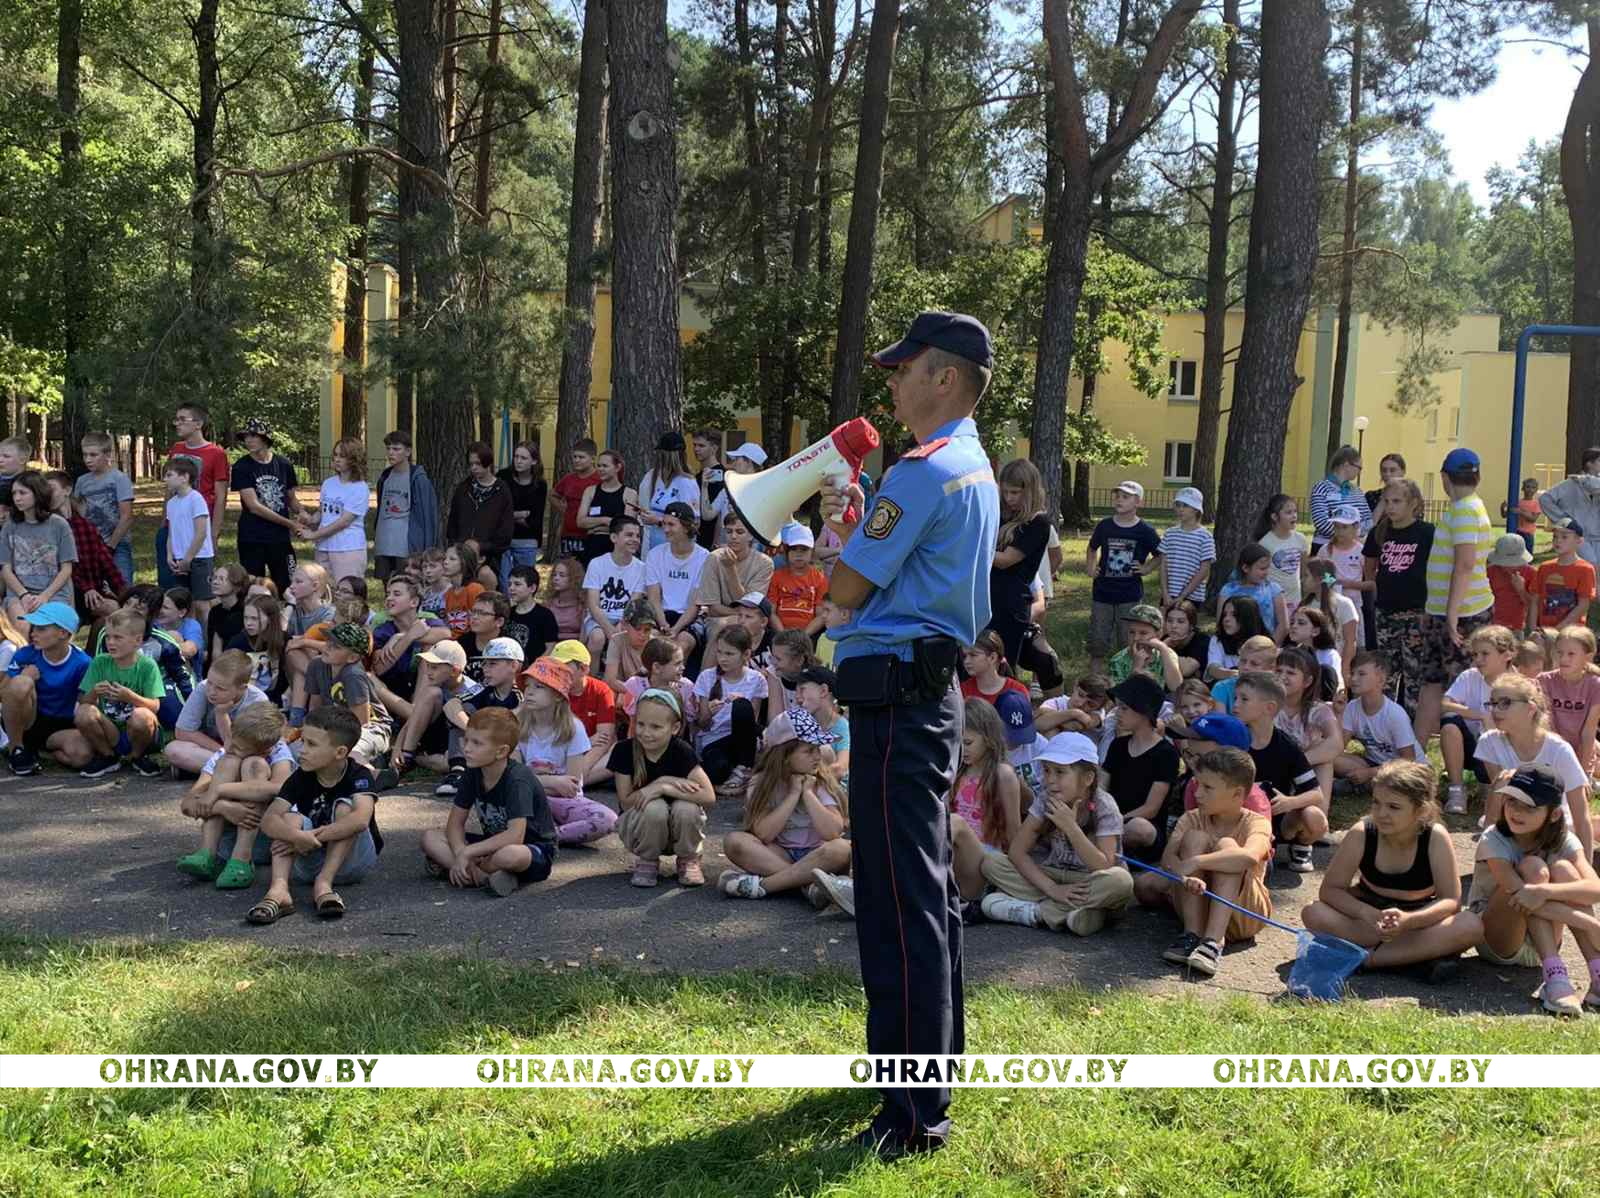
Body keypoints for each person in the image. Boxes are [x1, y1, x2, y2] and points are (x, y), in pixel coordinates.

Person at [819, 310, 998, 1159]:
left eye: (904, 368)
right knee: (920, 895)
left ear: (946, 378)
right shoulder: (966, 464)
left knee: (898, 902)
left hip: (898, 704)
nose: (891, 381)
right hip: (921, 701)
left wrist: (837, 534)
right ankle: (926, 1077)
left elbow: (849, 584)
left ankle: (913, 1109)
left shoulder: (924, 471)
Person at [1304, 760, 1483, 983]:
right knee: (1314, 913)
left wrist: (1409, 920)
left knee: (1471, 925)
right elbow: (1330, 891)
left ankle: (1366, 960)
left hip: (1417, 924)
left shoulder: (1434, 837)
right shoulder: (1362, 833)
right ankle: (1414, 959)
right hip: (1369, 922)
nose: (1381, 813)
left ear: (1421, 810)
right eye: (1376, 803)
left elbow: (1450, 901)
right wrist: (1364, 912)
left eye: (1394, 807)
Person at [1466, 765, 1600, 1016]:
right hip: (1499, 941)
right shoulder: (1492, 838)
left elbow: (1595, 888)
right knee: (1534, 870)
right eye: (1512, 801)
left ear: (1554, 815)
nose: (1516, 811)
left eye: (1530, 807)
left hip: (1542, 941)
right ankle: (1555, 978)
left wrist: (1547, 892)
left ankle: (1597, 971)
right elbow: (1521, 895)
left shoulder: (1565, 839)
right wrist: (1590, 925)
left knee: (1565, 870)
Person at [978, 729, 1135, 932]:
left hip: (1090, 880)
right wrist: (1053, 889)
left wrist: (1071, 827)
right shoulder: (1045, 799)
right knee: (992, 862)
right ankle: (1078, 914)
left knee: (1121, 881)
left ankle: (1037, 913)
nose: (1050, 779)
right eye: (1046, 770)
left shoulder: (1104, 806)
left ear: (1088, 778)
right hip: (1053, 874)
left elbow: (1103, 866)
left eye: (1060, 772)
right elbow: (1017, 851)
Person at [1148, 747, 1273, 978]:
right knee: (1195, 837)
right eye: (1197, 785)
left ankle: (1213, 942)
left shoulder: (1257, 823)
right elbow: (1168, 859)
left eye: (1207, 788)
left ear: (1237, 794)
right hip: (1199, 904)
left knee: (1228, 848)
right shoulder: (1191, 818)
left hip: (1242, 916)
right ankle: (1192, 934)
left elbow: (1248, 857)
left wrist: (1196, 862)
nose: (1197, 794)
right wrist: (1185, 875)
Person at [252, 706, 383, 923]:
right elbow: (269, 820)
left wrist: (309, 837)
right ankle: (279, 890)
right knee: (289, 819)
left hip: (354, 861)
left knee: (346, 809)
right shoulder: (301, 776)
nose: (301, 750)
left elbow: (360, 820)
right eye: (302, 741)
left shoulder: (358, 775)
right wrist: (296, 836)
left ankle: (324, 883)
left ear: (340, 752)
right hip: (309, 859)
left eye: (311, 744)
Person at [719, 707, 852, 901]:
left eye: (817, 749)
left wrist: (808, 793)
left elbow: (832, 832)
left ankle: (764, 886)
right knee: (735, 842)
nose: (817, 756)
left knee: (841, 848)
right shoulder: (762, 782)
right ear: (784, 755)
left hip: (819, 854)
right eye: (809, 751)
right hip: (779, 854)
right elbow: (764, 833)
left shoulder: (820, 779)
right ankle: (810, 886)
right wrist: (793, 794)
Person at [421, 707, 556, 897]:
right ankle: (485, 878)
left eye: (477, 743)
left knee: (509, 855)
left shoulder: (517, 780)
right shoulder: (472, 772)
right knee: (430, 837)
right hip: (490, 846)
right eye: (466, 740)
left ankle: (466, 872)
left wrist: (469, 853)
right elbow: (455, 824)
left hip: (530, 849)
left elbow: (515, 837)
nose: (467, 748)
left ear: (501, 752)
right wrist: (461, 851)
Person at [1418, 447, 1496, 746]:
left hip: (1462, 613)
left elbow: (1464, 563)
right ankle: (1418, 751)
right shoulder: (1467, 506)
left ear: (1444, 478)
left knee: (1458, 686)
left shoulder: (1464, 510)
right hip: (1446, 610)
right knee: (1433, 681)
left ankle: (1473, 753)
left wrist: (1451, 613)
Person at [175, 702, 297, 890]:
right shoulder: (226, 752)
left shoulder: (278, 753)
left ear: (267, 750)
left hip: (267, 839)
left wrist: (219, 790)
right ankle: (206, 854)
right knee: (227, 763)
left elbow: (280, 788)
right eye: (231, 738)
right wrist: (224, 807)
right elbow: (188, 804)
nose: (231, 747)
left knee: (254, 765)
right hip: (226, 843)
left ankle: (242, 860)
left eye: (240, 748)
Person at [1475, 673, 1594, 861]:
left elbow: (1581, 812)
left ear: (1530, 709)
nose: (1495, 710)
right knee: (1533, 872)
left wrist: (1586, 864)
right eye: (1492, 703)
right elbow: (1499, 801)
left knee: (1558, 873)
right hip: (1515, 828)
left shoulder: (1558, 749)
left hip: (1554, 831)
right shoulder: (1489, 743)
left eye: (1505, 703)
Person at [517, 654, 617, 846]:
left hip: (562, 801)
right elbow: (512, 776)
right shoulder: (518, 724)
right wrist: (551, 781)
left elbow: (571, 786)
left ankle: (551, 836)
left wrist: (533, 780)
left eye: (539, 687)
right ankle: (538, 833)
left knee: (606, 819)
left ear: (557, 695)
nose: (529, 692)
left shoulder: (573, 728)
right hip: (528, 798)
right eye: (528, 686)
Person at [1233, 670, 1326, 872]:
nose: (1236, 704)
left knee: (1314, 816)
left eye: (1244, 699)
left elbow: (1316, 793)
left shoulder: (1287, 746)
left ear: (1269, 708)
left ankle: (1301, 845)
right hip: (1239, 819)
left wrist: (1289, 802)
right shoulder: (1232, 741)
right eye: (1236, 697)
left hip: (1279, 821)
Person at [1363, 477, 1435, 715]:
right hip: (1386, 612)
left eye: (1397, 501)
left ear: (1413, 503)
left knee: (1414, 673)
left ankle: (1414, 724)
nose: (1391, 506)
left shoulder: (1426, 533)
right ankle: (1385, 719)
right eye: (1387, 501)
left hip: (1416, 613)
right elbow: (1370, 567)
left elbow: (1435, 570)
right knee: (1386, 671)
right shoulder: (1379, 532)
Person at [70, 608, 165, 779]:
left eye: (118, 637)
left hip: (138, 731)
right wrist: (94, 692)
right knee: (84, 712)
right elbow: (84, 700)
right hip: (109, 729)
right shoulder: (100, 662)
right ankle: (108, 757)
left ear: (137, 641)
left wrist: (130, 697)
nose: (110, 642)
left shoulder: (147, 665)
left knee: (142, 715)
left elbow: (155, 706)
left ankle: (138, 757)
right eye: (108, 636)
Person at [946, 697, 1022, 909]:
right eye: (957, 742)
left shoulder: (1002, 774)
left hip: (984, 866)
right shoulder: (955, 771)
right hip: (952, 862)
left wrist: (1013, 881)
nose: (962, 749)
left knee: (955, 823)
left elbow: (1014, 834)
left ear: (988, 738)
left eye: (968, 743)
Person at [2, 603, 92, 774]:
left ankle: (40, 752)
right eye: (34, 627)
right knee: (21, 683)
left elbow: (85, 702)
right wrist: (26, 676)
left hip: (61, 725)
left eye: (41, 629)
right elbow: (5, 693)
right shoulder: (25, 654)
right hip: (27, 719)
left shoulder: (82, 662)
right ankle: (16, 749)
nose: (33, 633)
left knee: (82, 756)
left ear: (63, 633)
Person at [1438, 623, 1517, 815]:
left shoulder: (1517, 685)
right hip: (1471, 746)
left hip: (1502, 751)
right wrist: (1480, 715)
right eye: (1475, 655)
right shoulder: (1470, 677)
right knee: (1450, 723)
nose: (1478, 660)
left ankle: (1494, 789)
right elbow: (1445, 704)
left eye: (1485, 654)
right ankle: (1456, 789)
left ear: (1507, 655)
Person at [1085, 479, 1161, 674]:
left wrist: (1147, 568)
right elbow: (1092, 548)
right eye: (1117, 496)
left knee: (1128, 642)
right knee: (1098, 642)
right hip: (1102, 594)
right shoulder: (1105, 526)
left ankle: (1125, 679)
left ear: (1138, 502)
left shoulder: (1145, 530)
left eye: (1125, 497)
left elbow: (1161, 554)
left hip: (1129, 595)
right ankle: (1096, 681)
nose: (1119, 500)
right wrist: (1091, 567)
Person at [1103, 673, 1180, 861]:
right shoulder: (1118, 745)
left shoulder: (1166, 753)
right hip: (1108, 819)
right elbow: (1102, 786)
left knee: (1139, 828)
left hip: (1142, 827)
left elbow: (1151, 808)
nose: (1117, 713)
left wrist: (1115, 821)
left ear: (1144, 712)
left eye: (1124, 708)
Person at [391, 640, 480, 791]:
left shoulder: (474, 691)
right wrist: (398, 748)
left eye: (434, 667)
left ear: (454, 670)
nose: (428, 672)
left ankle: (416, 759)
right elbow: (413, 719)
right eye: (427, 666)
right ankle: (406, 756)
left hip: (456, 741)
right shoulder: (434, 687)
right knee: (432, 693)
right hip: (431, 735)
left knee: (447, 764)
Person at [986, 458, 1051, 663]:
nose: (1008, 498)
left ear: (1029, 490)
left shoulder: (1038, 522)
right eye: (1005, 492)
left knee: (1001, 664)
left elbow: (1006, 560)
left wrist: (973, 551)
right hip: (986, 597)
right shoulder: (1001, 514)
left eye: (1015, 492)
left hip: (1011, 605)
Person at [158, 403, 229, 590]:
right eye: (176, 419)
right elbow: (169, 488)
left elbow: (221, 496)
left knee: (200, 589)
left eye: (183, 419)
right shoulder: (176, 448)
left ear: (198, 424)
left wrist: (214, 532)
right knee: (171, 584)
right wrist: (164, 520)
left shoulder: (216, 453)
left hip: (198, 525)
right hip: (174, 524)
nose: (177, 424)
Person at [692, 624, 767, 797]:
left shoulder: (756, 679)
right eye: (719, 652)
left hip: (741, 740)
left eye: (729, 654)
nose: (723, 659)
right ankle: (726, 779)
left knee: (741, 706)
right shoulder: (707, 677)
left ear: (746, 654)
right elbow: (702, 724)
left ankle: (744, 767)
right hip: (713, 740)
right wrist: (709, 712)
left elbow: (751, 724)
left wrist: (740, 703)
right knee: (717, 770)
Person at [166, 649, 268, 777]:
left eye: (220, 688)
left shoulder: (257, 701)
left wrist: (222, 715)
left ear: (241, 688)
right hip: (211, 750)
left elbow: (248, 747)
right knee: (174, 750)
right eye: (210, 682)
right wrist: (221, 751)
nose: (212, 691)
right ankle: (235, 773)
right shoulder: (203, 688)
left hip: (243, 754)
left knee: (256, 761)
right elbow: (182, 731)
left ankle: (212, 771)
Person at [305, 622, 393, 768]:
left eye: (336, 646)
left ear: (352, 657)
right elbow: (315, 707)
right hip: (334, 728)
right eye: (328, 641)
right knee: (302, 752)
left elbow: (361, 722)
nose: (327, 647)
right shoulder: (316, 665)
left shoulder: (353, 675)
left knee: (345, 752)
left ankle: (374, 776)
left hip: (372, 729)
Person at [229, 417, 302, 592]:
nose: (249, 440)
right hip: (252, 537)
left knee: (289, 583)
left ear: (265, 438)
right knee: (253, 586)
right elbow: (253, 506)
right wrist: (290, 523)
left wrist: (303, 514)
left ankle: (288, 616)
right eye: (246, 436)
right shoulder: (242, 467)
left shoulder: (284, 464)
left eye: (254, 435)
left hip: (280, 538)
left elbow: (291, 498)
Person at [45, 470, 122, 631]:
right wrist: (86, 588)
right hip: (65, 590)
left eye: (52, 488)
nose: (48, 494)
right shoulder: (49, 526)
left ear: (67, 490)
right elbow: (62, 567)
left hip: (92, 589)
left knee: (116, 611)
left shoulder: (84, 525)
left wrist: (123, 591)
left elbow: (105, 561)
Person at [1335, 652, 1421, 786]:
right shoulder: (1352, 707)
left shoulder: (1395, 714)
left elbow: (1408, 759)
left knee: (1397, 780)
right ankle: (1363, 783)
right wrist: (1339, 713)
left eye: (1361, 674)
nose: (1354, 678)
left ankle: (1357, 785)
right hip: (1374, 763)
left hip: (1404, 769)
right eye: (1352, 673)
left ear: (1380, 680)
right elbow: (1338, 748)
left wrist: (1369, 773)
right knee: (1332, 759)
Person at [1, 470, 76, 621]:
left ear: (37, 493)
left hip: (54, 594)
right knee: (23, 625)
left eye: (23, 493)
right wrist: (24, 595)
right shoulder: (10, 526)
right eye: (14, 493)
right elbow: (6, 569)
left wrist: (45, 596)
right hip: (19, 594)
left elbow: (66, 568)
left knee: (47, 628)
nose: (17, 498)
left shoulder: (59, 524)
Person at [691, 512, 774, 646]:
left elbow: (750, 605)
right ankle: (707, 667)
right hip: (717, 619)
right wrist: (742, 614)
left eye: (740, 532)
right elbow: (713, 608)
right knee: (721, 628)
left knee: (744, 625)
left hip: (749, 620)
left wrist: (730, 569)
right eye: (729, 532)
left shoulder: (764, 563)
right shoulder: (714, 558)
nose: (733, 536)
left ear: (751, 535)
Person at [298, 437, 369, 586]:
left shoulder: (359, 488)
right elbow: (322, 513)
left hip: (347, 548)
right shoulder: (328, 483)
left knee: (347, 593)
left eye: (342, 456)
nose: (337, 459)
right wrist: (309, 520)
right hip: (323, 546)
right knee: (325, 593)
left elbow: (343, 522)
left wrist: (313, 535)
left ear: (353, 459)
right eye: (335, 455)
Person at [643, 501, 709, 659]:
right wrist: (663, 624)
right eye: (664, 524)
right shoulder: (655, 555)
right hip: (661, 614)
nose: (665, 529)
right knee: (648, 639)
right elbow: (654, 597)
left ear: (686, 527)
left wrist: (677, 628)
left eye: (671, 525)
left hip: (689, 617)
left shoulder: (704, 557)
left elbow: (696, 603)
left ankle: (675, 682)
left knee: (682, 644)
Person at [372, 430, 442, 581]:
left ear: (408, 452)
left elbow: (428, 516)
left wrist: (426, 548)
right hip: (384, 542)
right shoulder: (385, 477)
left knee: (407, 585)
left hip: (406, 545)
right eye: (388, 448)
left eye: (396, 449)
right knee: (388, 586)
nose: (391, 453)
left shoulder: (417, 479)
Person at [1274, 646, 1341, 800]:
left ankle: (1319, 813)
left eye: (1290, 673)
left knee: (1325, 761)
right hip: (1273, 770)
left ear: (1307, 681)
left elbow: (1336, 743)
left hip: (1303, 771)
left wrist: (1297, 763)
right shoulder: (1268, 705)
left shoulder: (1318, 710)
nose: (1282, 676)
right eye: (1278, 671)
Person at [581, 515, 646, 666]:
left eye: (638, 536)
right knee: (597, 638)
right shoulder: (597, 564)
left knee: (627, 639)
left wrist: (621, 626)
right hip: (599, 618)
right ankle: (592, 678)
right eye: (629, 535)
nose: (635, 539)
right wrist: (609, 629)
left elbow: (633, 604)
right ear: (614, 537)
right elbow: (593, 604)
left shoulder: (641, 568)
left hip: (626, 619)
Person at [74, 432, 135, 588]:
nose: (88, 459)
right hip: (91, 544)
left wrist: (111, 545)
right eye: (85, 455)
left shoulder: (119, 479)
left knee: (122, 586)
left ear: (107, 454)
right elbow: (79, 512)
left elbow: (127, 516)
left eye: (93, 455)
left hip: (117, 544)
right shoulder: (82, 481)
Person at [1537, 625, 1600, 777]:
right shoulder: (1544, 681)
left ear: (1588, 657)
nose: (1563, 659)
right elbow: (1546, 725)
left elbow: (1588, 731)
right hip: (1550, 749)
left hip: (1582, 750)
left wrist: (1582, 772)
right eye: (1560, 653)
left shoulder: (1595, 685)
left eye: (1571, 654)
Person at [446, 442, 514, 570]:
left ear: (488, 462)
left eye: (477, 463)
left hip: (489, 558)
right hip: (461, 555)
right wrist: (458, 545)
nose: (473, 468)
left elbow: (505, 531)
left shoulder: (502, 491)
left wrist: (482, 547)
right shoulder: (463, 489)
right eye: (471, 464)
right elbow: (453, 522)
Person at [637, 431, 699, 554]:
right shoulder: (651, 476)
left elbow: (693, 523)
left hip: (677, 548)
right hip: (652, 543)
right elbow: (644, 505)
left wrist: (659, 521)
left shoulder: (686, 482)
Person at [1538, 446, 1600, 569]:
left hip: (1597, 535)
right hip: (1578, 535)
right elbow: (1545, 499)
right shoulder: (1570, 484)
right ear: (1589, 463)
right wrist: (1563, 519)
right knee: (1590, 565)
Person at [497, 440, 547, 586]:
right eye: (516, 456)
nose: (518, 461)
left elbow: (535, 519)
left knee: (524, 583)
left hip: (527, 540)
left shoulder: (540, 485)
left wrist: (509, 515)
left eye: (523, 458)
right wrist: (519, 515)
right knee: (504, 582)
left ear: (534, 461)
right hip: (503, 537)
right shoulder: (503, 476)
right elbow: (497, 511)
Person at [1217, 544, 1288, 643]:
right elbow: (1221, 621)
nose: (1266, 572)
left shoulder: (1273, 590)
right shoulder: (1228, 590)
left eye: (1268, 568)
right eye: (1262, 569)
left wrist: (1270, 648)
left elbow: (1283, 625)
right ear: (1245, 568)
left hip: (1266, 646)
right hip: (1235, 647)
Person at [1532, 516, 1594, 629]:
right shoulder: (1544, 568)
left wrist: (1558, 629)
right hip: (1543, 630)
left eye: (1564, 537)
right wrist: (1532, 629)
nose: (1558, 540)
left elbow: (1583, 605)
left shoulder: (1585, 569)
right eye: (1555, 536)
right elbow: (1535, 600)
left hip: (1571, 633)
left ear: (1579, 541)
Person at [576, 450, 636, 565]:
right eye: (598, 466)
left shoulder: (629, 494)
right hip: (592, 549)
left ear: (617, 467)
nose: (600, 469)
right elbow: (580, 521)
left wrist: (595, 528)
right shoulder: (590, 491)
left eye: (605, 466)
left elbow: (627, 528)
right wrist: (606, 520)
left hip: (617, 552)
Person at [227, 594, 288, 706]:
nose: (248, 623)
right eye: (246, 618)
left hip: (273, 702)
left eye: (255, 618)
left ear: (270, 619)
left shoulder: (284, 640)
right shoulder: (238, 642)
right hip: (243, 703)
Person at [1253, 493, 1310, 614]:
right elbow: (1260, 575)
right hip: (1273, 601)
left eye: (1295, 511)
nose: (1294, 516)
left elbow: (1304, 572)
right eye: (1288, 512)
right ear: (1274, 516)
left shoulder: (1301, 539)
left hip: (1295, 600)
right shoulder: (1265, 543)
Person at [1159, 486, 1215, 608]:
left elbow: (1204, 570)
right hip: (1168, 595)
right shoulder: (1169, 533)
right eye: (1178, 505)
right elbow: (1163, 565)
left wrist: (1183, 596)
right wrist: (1165, 593)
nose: (1180, 509)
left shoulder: (1205, 537)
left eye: (1185, 505)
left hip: (1192, 596)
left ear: (1196, 509)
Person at [768, 524, 828, 636]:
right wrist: (782, 634)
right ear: (786, 552)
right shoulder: (777, 576)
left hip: (808, 634)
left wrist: (804, 635)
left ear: (812, 552)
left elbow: (821, 615)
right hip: (779, 632)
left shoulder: (820, 579)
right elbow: (771, 612)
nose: (799, 554)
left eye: (804, 549)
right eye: (794, 549)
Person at [1309, 443, 1370, 553]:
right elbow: (1321, 522)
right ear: (1346, 464)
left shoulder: (1357, 491)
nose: (1360, 471)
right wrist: (1348, 536)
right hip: (1326, 547)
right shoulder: (1322, 487)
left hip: (1354, 548)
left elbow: (1367, 520)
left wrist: (1356, 538)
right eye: (1359, 467)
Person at [1106, 603, 1182, 690]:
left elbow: (1176, 688)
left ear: (1158, 635)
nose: (1135, 638)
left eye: (1143, 633)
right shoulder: (1118, 660)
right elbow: (1120, 698)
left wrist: (1163, 649)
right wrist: (1136, 667)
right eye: (1131, 632)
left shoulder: (1166, 654)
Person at [550, 438, 601, 560]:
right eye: (575, 457)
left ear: (593, 459)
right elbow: (552, 495)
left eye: (581, 457)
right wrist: (564, 509)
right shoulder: (569, 479)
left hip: (591, 534)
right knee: (569, 571)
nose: (576, 460)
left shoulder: (599, 479)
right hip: (568, 534)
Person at [1208, 636, 1277, 716]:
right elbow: (1221, 725)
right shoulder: (1222, 688)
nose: (1246, 667)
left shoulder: (1275, 691)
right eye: (1243, 661)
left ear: (1270, 669)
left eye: (1254, 664)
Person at [1206, 595, 1265, 683]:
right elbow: (1213, 668)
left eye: (1234, 615)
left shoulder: (1264, 643)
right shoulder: (1218, 639)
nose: (1226, 619)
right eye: (1224, 614)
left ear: (1247, 618)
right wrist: (1234, 674)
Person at [1486, 534, 1534, 635]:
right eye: (1506, 563)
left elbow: (1534, 606)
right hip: (1492, 625)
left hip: (1518, 627)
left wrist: (1521, 590)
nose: (1510, 566)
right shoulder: (1490, 571)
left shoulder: (1531, 573)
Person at [205, 564, 249, 666]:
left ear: (237, 586)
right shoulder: (215, 611)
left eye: (221, 579)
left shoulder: (245, 612)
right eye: (214, 578)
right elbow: (211, 647)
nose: (215, 582)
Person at [440, 544, 486, 636]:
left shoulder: (475, 589)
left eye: (452, 559)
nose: (445, 562)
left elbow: (482, 623)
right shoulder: (448, 593)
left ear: (464, 563)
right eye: (445, 558)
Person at [691, 430, 725, 550]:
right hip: (696, 539)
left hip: (712, 542)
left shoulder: (723, 476)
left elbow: (718, 513)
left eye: (701, 445)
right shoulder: (697, 476)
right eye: (694, 445)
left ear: (714, 448)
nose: (696, 449)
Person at [1162, 601, 1210, 681]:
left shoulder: (1202, 640)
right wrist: (1165, 644)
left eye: (1180, 621)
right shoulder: (1165, 639)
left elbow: (1186, 670)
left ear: (1191, 625)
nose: (1174, 626)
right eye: (1170, 620)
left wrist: (1163, 649)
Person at [543, 556, 585, 642]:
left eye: (562, 575)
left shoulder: (583, 605)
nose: (556, 578)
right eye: (554, 575)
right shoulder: (548, 604)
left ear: (574, 578)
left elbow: (585, 636)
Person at [1363, 452, 1407, 525]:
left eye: (1392, 470)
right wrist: (1384, 498)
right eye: (1384, 470)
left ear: (1403, 471)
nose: (1387, 474)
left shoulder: (1412, 497)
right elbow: (1369, 526)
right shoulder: (1371, 496)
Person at [1503, 476, 1542, 554]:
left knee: (1527, 554)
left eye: (1533, 487)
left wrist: (1520, 512)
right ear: (1522, 488)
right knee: (1515, 553)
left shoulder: (1536, 504)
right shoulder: (1517, 502)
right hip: (1516, 531)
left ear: (1536, 490)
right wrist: (1502, 508)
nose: (1530, 490)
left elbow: (1533, 519)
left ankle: (1527, 566)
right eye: (1528, 487)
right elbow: (1505, 515)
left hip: (1528, 534)